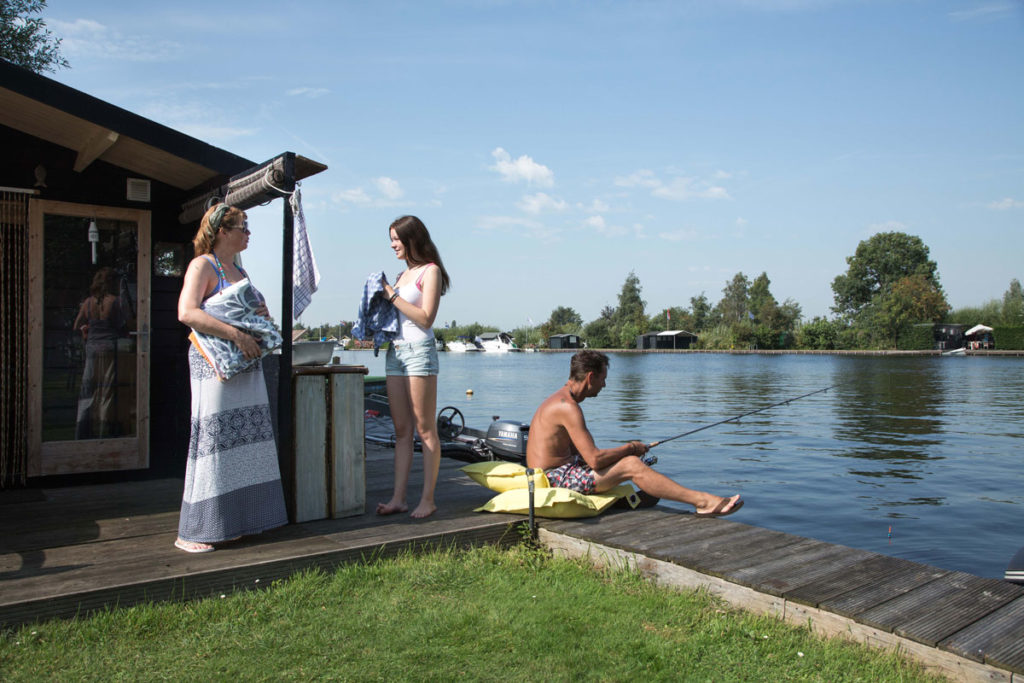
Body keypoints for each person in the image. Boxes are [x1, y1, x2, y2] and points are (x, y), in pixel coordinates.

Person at [174, 203, 288, 553]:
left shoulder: (238, 268)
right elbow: (187, 312)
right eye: (243, 226)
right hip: (215, 363)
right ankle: (194, 530)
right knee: (214, 440)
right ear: (222, 230)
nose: (248, 232)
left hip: (245, 363)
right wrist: (236, 335)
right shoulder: (203, 265)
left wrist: (259, 314)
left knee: (245, 441)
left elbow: (244, 310)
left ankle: (236, 521)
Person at [526, 350, 743, 517]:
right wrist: (630, 449)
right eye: (603, 378)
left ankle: (635, 493)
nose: (604, 385)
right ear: (591, 377)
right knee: (631, 465)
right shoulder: (567, 407)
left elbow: (584, 457)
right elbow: (594, 459)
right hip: (553, 479)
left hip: (560, 472)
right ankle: (703, 502)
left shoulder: (561, 401)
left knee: (631, 463)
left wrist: (622, 456)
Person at [377, 215, 451, 519]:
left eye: (397, 239)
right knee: (402, 430)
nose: (393, 245)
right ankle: (398, 498)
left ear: (412, 239)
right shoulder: (401, 274)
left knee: (425, 428)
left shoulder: (430, 271)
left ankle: (428, 499)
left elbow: (425, 318)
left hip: (419, 351)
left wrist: (391, 296)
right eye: (391, 239)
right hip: (395, 352)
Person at [72, 267, 130, 439]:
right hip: (109, 350)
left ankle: (81, 434)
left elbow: (77, 325)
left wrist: (85, 330)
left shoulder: (88, 303)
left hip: (91, 350)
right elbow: (123, 326)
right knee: (107, 392)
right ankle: (106, 435)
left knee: (87, 391)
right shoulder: (115, 302)